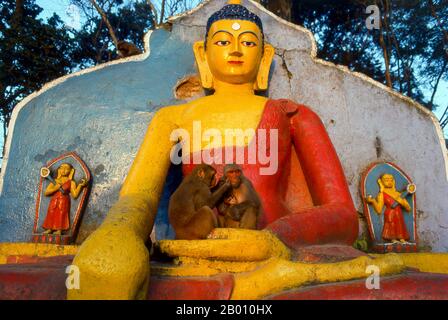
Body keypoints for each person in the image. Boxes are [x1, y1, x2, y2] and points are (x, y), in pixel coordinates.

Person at [69, 0, 358, 299]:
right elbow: (138, 196)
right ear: (202, 55)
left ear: (264, 55)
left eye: (247, 42)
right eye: (222, 41)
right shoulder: (172, 118)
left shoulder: (294, 115)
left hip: (274, 256)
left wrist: (275, 238)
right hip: (194, 255)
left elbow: (344, 216)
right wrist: (119, 235)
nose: (235, 49)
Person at [42, 163, 88, 235]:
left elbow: (75, 195)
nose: (63, 170)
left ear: (70, 171)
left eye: (66, 169)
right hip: (54, 200)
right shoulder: (55, 181)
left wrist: (80, 186)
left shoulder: (71, 182)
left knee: (61, 214)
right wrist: (55, 188)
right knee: (51, 213)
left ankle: (59, 230)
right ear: (59, 170)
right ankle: (49, 228)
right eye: (62, 168)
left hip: (64, 201)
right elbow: (46, 192)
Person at [366, 174, 411, 243]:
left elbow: (408, 208)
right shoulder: (382, 194)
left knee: (400, 225)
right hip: (390, 214)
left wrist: (401, 202)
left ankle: (402, 238)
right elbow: (378, 210)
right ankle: (392, 239)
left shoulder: (398, 194)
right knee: (391, 226)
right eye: (386, 180)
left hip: (399, 214)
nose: (389, 182)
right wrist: (373, 201)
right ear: (381, 182)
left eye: (391, 180)